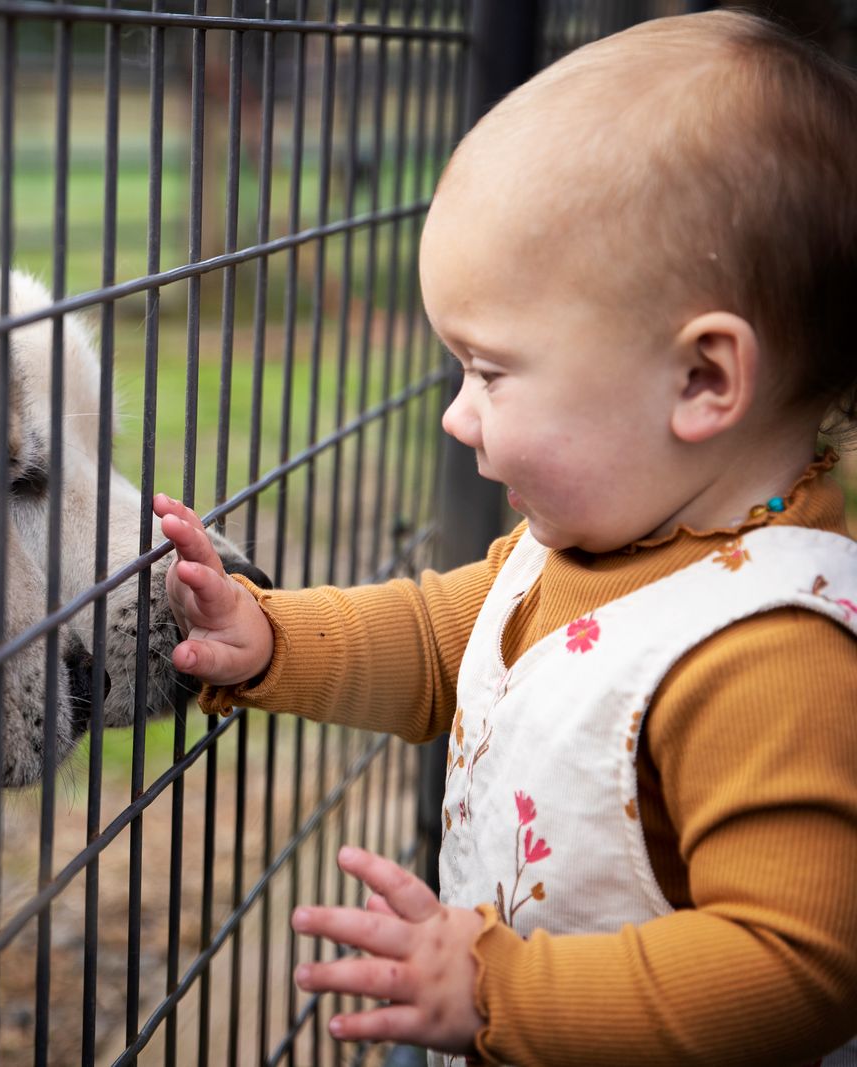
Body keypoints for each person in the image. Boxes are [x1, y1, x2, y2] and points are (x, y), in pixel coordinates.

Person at [153, 11, 857, 1065]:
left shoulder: (772, 655)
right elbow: (440, 642)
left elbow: (797, 964)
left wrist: (498, 989)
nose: (457, 413)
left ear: (702, 379)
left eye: (489, 371)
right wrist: (270, 638)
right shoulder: (593, 543)